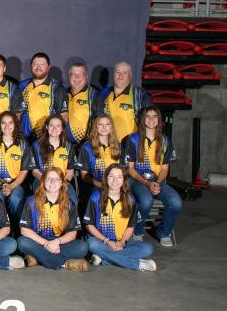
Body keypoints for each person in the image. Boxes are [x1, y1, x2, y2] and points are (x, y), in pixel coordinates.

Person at [124, 106, 181, 247]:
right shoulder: (133, 139)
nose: (151, 119)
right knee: (146, 200)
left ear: (159, 119)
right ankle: (137, 232)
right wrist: (147, 184)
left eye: (154, 116)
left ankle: (164, 232)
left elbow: (164, 168)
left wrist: (157, 183)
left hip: (158, 181)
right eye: (147, 116)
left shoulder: (165, 140)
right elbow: (130, 169)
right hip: (136, 180)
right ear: (143, 119)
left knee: (176, 202)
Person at [83, 164, 157, 271]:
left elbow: (131, 227)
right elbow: (89, 225)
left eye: (119, 177)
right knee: (91, 244)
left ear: (124, 180)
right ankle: (138, 264)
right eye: (111, 176)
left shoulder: (130, 200)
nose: (115, 180)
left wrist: (122, 242)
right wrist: (107, 242)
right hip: (101, 241)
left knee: (148, 248)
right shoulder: (95, 197)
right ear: (106, 178)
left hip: (121, 242)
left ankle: (104, 258)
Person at [17, 167, 89, 272]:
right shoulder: (32, 201)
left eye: (56, 179)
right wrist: (47, 244)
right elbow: (24, 230)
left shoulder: (69, 204)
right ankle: (65, 263)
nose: (52, 182)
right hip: (39, 241)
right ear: (43, 182)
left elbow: (72, 234)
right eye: (48, 179)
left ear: (62, 183)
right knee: (22, 242)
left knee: (83, 246)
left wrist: (56, 242)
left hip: (59, 243)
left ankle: (38, 258)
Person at [0, 111, 32, 224]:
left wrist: (11, 186)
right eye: (3, 123)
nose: (7, 126)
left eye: (10, 123)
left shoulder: (23, 144)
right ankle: (0, 230)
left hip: (16, 183)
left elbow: (24, 172)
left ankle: (18, 229)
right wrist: (1, 185)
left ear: (15, 125)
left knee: (15, 199)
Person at [18, 52, 68, 140]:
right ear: (31, 66)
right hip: (23, 138)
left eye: (42, 64)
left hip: (45, 139)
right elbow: (16, 112)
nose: (38, 67)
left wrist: (55, 138)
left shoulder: (57, 88)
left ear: (48, 67)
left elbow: (64, 116)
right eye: (35, 64)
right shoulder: (21, 86)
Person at [30, 115, 77, 204]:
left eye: (58, 126)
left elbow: (70, 171)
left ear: (62, 128)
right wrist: (47, 181)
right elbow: (34, 171)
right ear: (47, 127)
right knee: (41, 202)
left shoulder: (68, 146)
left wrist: (62, 183)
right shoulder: (36, 145)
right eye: (51, 125)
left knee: (73, 201)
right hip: (41, 179)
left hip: (62, 180)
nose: (54, 128)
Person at [100, 61, 153, 142]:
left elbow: (151, 122)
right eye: (118, 72)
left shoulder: (140, 95)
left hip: (131, 147)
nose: (120, 76)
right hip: (109, 146)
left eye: (125, 73)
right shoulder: (103, 94)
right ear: (113, 75)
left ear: (130, 76)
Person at [78, 114, 122, 190]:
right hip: (97, 184)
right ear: (96, 127)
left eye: (107, 124)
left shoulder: (118, 146)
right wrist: (101, 185)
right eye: (100, 124)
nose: (104, 127)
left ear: (111, 127)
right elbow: (84, 175)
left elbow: (123, 171)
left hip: (116, 184)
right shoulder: (87, 147)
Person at [66, 62, 104, 146]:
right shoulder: (63, 94)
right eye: (74, 74)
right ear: (69, 76)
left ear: (86, 76)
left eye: (80, 74)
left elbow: (100, 123)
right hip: (64, 147)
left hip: (85, 146)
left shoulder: (94, 95)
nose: (77, 77)